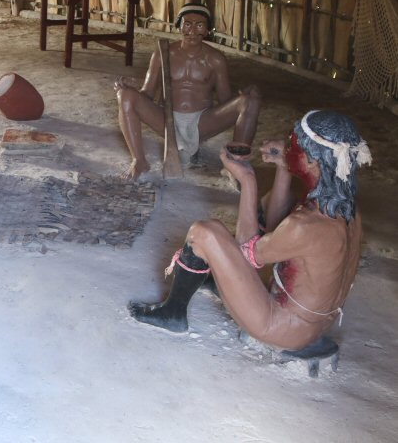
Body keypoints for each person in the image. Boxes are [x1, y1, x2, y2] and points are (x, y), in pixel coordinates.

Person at [128, 110, 371, 351]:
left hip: (284, 329)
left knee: (204, 233)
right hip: (316, 324)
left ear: (311, 161)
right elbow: (278, 229)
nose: (287, 148)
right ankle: (217, 282)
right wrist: (283, 166)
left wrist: (247, 180)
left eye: (293, 145)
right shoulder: (349, 213)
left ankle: (173, 314)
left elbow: (246, 254)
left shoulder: (305, 226)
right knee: (272, 202)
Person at [114, 3, 261, 180]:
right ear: (179, 27)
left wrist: (242, 97)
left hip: (201, 123)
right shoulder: (163, 53)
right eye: (187, 24)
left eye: (199, 25)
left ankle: (234, 166)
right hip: (167, 121)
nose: (192, 30)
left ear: (207, 30)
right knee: (125, 95)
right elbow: (147, 93)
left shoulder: (216, 59)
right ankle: (139, 161)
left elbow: (224, 101)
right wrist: (129, 89)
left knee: (250, 102)